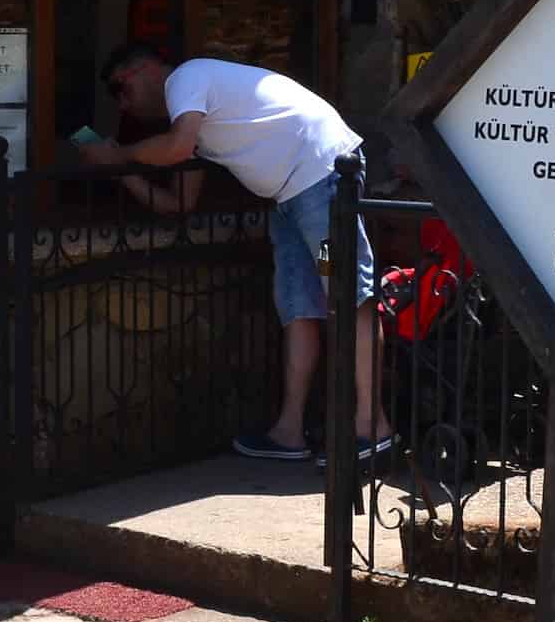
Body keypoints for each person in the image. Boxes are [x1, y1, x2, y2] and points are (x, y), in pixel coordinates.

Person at [79, 43, 393, 464]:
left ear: (142, 69)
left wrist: (120, 155)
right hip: (291, 199)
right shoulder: (189, 114)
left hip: (322, 182)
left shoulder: (186, 78)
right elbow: (179, 205)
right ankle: (289, 430)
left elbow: (174, 148)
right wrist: (121, 171)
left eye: (121, 89)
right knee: (300, 306)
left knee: (345, 293)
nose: (124, 105)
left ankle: (372, 425)